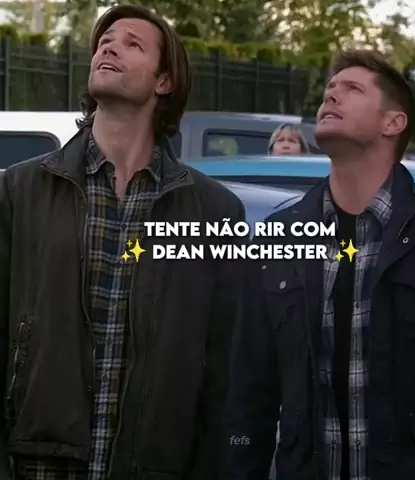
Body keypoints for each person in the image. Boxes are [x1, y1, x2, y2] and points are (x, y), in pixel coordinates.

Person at [0, 4, 246, 479]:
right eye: (105, 41)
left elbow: (223, 371)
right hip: (36, 463)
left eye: (132, 44)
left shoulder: (214, 211)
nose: (109, 48)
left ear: (164, 82)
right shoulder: (20, 190)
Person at [225, 49, 415, 480]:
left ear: (393, 122)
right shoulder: (279, 237)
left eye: (353, 89)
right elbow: (250, 391)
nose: (331, 95)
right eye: (330, 88)